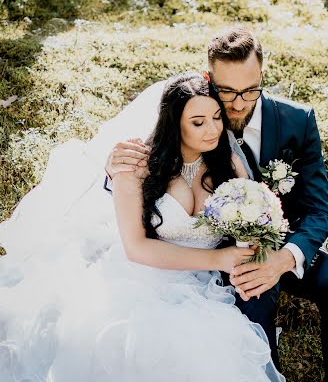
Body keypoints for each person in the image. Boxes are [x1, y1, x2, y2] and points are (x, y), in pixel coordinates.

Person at [105, 27, 328, 382]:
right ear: (210, 80)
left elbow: (318, 209)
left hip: (280, 240)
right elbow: (152, 157)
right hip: (213, 251)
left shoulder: (297, 121)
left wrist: (284, 258)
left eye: (250, 90)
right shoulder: (193, 106)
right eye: (227, 91)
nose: (238, 103)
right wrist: (114, 170)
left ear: (262, 76)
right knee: (254, 301)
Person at [0, 72, 285, 382]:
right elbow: (135, 247)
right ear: (174, 123)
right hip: (143, 282)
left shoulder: (228, 163)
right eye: (198, 122)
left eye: (217, 117)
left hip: (207, 287)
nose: (213, 129)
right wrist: (219, 258)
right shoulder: (136, 166)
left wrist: (252, 244)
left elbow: (255, 222)